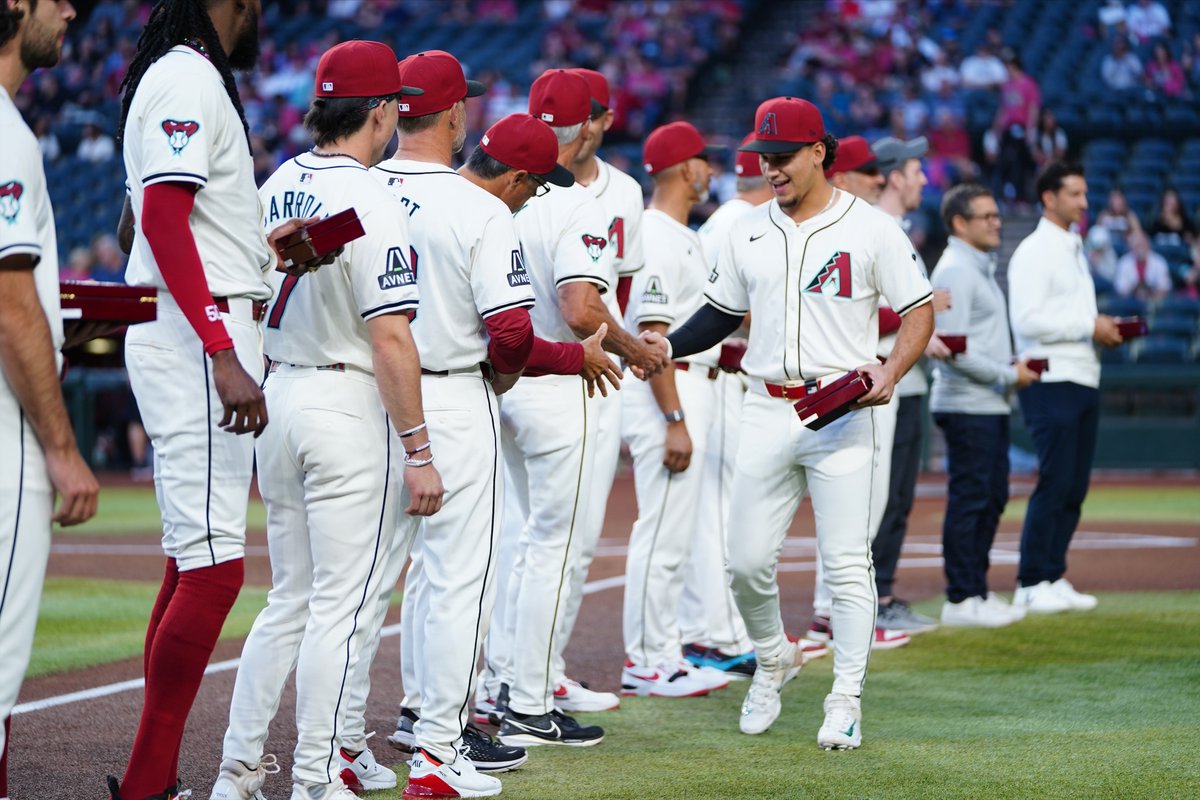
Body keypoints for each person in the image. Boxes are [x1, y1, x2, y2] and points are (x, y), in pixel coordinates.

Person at [646, 97, 934, 749]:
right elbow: (719, 314)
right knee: (745, 563)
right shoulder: (747, 229)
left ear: (818, 154)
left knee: (847, 565)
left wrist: (890, 371)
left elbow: (918, 311)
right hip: (765, 405)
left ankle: (846, 699)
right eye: (763, 159)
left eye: (780, 158)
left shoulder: (872, 228)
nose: (769, 170)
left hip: (841, 412)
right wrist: (669, 346)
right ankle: (775, 657)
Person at [212, 39, 440, 800]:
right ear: (381, 111)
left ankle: (237, 772)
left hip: (279, 394)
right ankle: (315, 780)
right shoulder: (373, 198)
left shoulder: (276, 179)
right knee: (338, 609)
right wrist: (419, 448)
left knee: (289, 601)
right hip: (344, 400)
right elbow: (390, 336)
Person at [112, 2, 323, 798]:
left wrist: (259, 254)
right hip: (195, 335)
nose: (259, 15)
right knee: (213, 571)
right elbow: (161, 220)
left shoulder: (176, 74)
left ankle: (149, 781)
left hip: (196, 321)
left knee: (189, 561)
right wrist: (220, 348)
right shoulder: (187, 75)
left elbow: (161, 217)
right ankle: (144, 786)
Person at [492, 69, 665, 749]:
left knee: (514, 542)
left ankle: (511, 680)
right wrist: (634, 350)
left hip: (501, 374)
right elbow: (585, 308)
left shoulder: (492, 185)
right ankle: (527, 695)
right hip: (571, 375)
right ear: (594, 121)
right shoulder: (575, 201)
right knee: (556, 546)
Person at [1, 3, 99, 798]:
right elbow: (9, 303)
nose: (70, 10)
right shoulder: (4, 131)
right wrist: (61, 449)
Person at [619, 121, 735, 698]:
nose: (710, 170)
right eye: (704, 162)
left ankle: (665, 653)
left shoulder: (680, 233)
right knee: (662, 531)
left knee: (676, 533)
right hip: (671, 387)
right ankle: (645, 662)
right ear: (685, 168)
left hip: (696, 381)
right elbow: (650, 338)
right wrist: (673, 419)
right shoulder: (658, 235)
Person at [543, 66, 645, 715]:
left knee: (567, 541)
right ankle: (527, 677)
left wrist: (617, 353)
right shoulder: (521, 180)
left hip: (594, 373)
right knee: (548, 538)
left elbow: (623, 291)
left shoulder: (624, 192)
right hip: (536, 367)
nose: (571, 129)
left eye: (581, 116)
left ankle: (537, 667)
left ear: (603, 121)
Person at [806, 134, 915, 650]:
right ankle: (831, 614)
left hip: (869, 377)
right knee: (852, 503)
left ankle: (840, 614)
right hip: (841, 380)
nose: (880, 179)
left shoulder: (870, 230)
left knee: (866, 502)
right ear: (841, 176)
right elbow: (855, 313)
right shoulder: (835, 232)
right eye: (869, 171)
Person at [1008, 161, 1124, 614]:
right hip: (1049, 377)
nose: (1084, 201)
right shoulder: (1035, 249)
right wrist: (1088, 325)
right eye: (1074, 193)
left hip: (1080, 375)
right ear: (1049, 198)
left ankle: (1052, 574)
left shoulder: (1071, 246)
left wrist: (1100, 331)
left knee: (1074, 484)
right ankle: (1030, 581)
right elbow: (1027, 319)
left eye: (1084, 193)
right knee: (1056, 480)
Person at [680, 135, 774, 677]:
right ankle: (709, 634)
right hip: (711, 374)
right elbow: (730, 310)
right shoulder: (739, 222)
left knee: (722, 510)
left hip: (719, 372)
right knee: (716, 511)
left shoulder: (729, 219)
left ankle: (721, 630)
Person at [929, 183, 1039, 627]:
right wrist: (1008, 374)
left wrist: (1006, 367)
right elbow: (952, 351)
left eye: (996, 215)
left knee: (989, 496)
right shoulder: (956, 270)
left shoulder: (975, 267)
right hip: (966, 403)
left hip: (985, 403)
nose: (997, 222)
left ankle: (976, 589)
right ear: (959, 223)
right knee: (972, 499)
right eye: (987, 216)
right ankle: (961, 598)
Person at [868, 135, 947, 634]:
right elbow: (864, 312)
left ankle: (885, 595)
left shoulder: (897, 230)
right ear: (894, 175)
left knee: (897, 498)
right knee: (882, 497)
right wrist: (919, 316)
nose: (922, 178)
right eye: (916, 169)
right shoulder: (877, 230)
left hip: (909, 380)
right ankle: (870, 600)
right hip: (884, 381)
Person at [1113, 229, 1172, 300]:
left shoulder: (1159, 261)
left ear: (1148, 244)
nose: (1140, 248)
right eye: (1137, 245)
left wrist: (1150, 293)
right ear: (1132, 247)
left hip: (1154, 300)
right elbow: (1120, 288)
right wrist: (1136, 289)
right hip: (1131, 300)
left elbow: (1164, 286)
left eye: (1142, 244)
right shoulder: (1124, 262)